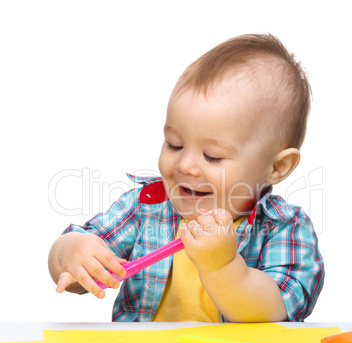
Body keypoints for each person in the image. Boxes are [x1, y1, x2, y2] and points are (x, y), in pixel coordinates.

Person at [48, 33, 324, 323]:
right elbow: (76, 269)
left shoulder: (283, 228)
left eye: (213, 155)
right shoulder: (146, 208)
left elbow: (275, 311)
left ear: (277, 167)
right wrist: (71, 253)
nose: (186, 165)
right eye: (174, 145)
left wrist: (222, 266)